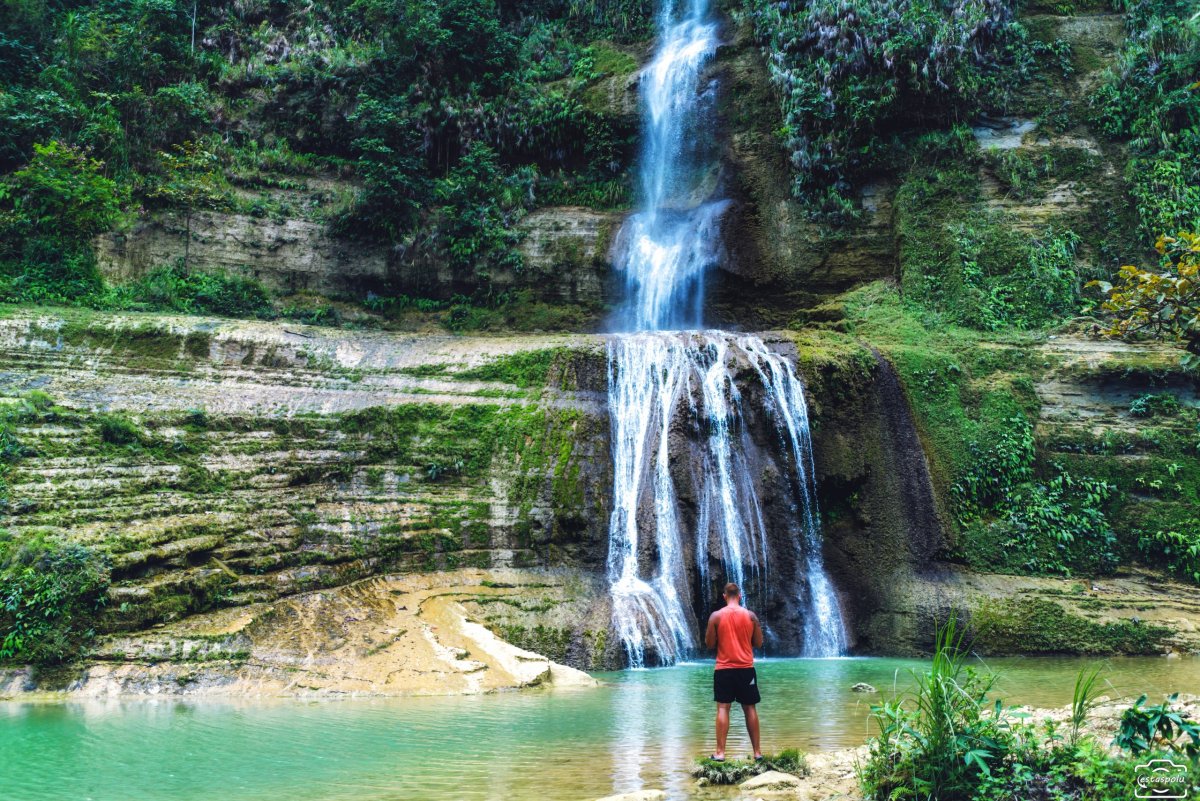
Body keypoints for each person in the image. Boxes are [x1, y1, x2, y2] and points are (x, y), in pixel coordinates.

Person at [704, 582, 764, 761]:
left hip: (724, 669)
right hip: (746, 669)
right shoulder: (751, 616)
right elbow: (759, 643)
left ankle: (720, 753)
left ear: (724, 596)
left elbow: (709, 644)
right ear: (740, 595)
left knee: (723, 708)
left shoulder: (716, 616)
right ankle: (757, 753)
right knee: (750, 708)